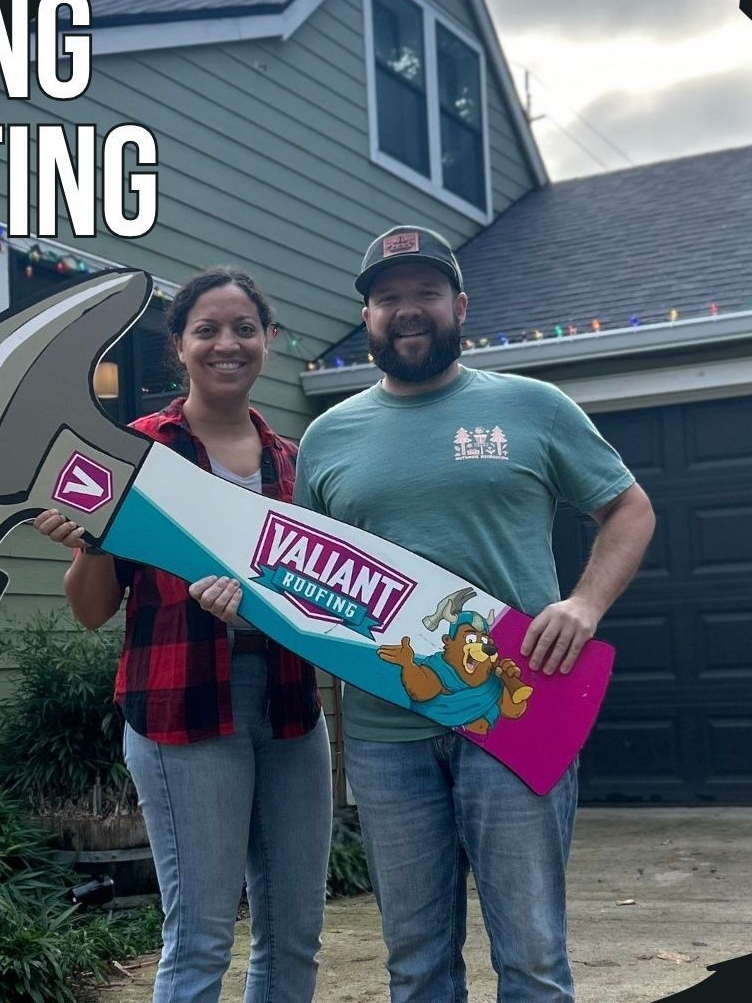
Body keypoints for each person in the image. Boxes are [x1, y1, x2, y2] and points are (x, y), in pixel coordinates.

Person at [197, 225, 656, 1002]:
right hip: (386, 736)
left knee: (533, 962)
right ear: (368, 318)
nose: (406, 310)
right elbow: (306, 585)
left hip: (515, 709)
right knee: (416, 968)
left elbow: (630, 507)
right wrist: (240, 606)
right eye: (387, 298)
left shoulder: (532, 407)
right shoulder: (329, 438)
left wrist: (585, 603)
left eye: (425, 293)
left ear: (459, 307)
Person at [33, 267, 332, 1003]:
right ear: (179, 345)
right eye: (208, 330)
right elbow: (91, 610)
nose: (228, 344)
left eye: (244, 329)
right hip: (182, 706)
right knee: (200, 937)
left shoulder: (296, 463)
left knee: (294, 935)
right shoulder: (133, 454)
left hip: (291, 707)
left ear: (268, 340)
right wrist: (93, 545)